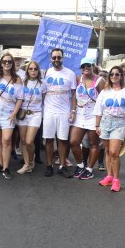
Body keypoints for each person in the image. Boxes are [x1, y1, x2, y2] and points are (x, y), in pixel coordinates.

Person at [94, 66, 125, 192]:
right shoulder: (105, 91)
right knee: (108, 151)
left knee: (114, 152)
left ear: (121, 76)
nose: (114, 76)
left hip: (120, 123)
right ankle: (109, 176)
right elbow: (98, 110)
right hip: (105, 122)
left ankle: (116, 180)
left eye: (117, 74)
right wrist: (97, 125)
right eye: (112, 74)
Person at [43, 48, 76, 178]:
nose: (56, 60)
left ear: (63, 58)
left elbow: (74, 94)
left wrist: (73, 111)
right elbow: (43, 91)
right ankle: (49, 165)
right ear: (51, 59)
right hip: (49, 111)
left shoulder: (70, 74)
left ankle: (62, 166)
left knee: (63, 140)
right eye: (54, 57)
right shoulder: (46, 72)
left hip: (64, 111)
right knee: (49, 139)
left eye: (59, 57)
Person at [70, 57, 105, 180]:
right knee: (73, 141)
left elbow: (103, 99)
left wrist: (100, 119)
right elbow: (74, 95)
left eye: (88, 65)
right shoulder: (78, 78)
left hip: (93, 115)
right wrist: (73, 111)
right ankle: (80, 165)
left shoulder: (100, 81)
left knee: (93, 143)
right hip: (80, 114)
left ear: (92, 66)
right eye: (83, 66)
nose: (86, 68)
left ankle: (89, 169)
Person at [16, 61, 46, 174]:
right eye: (31, 69)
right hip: (23, 114)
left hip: (36, 114)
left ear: (38, 71)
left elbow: (44, 100)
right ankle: (27, 164)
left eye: (35, 69)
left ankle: (31, 160)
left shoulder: (43, 83)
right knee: (23, 141)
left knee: (29, 141)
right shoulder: (22, 82)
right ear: (27, 70)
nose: (33, 71)